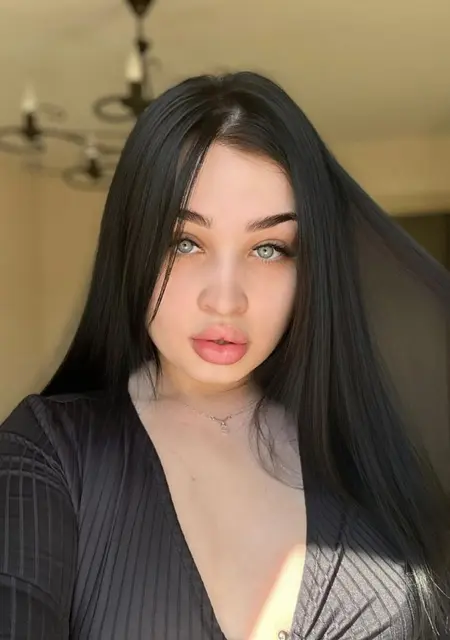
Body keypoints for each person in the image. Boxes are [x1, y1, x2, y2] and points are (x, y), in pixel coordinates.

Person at [0, 72, 449, 640]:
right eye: (185, 242)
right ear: (132, 246)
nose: (226, 298)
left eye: (269, 249)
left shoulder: (368, 467)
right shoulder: (50, 457)